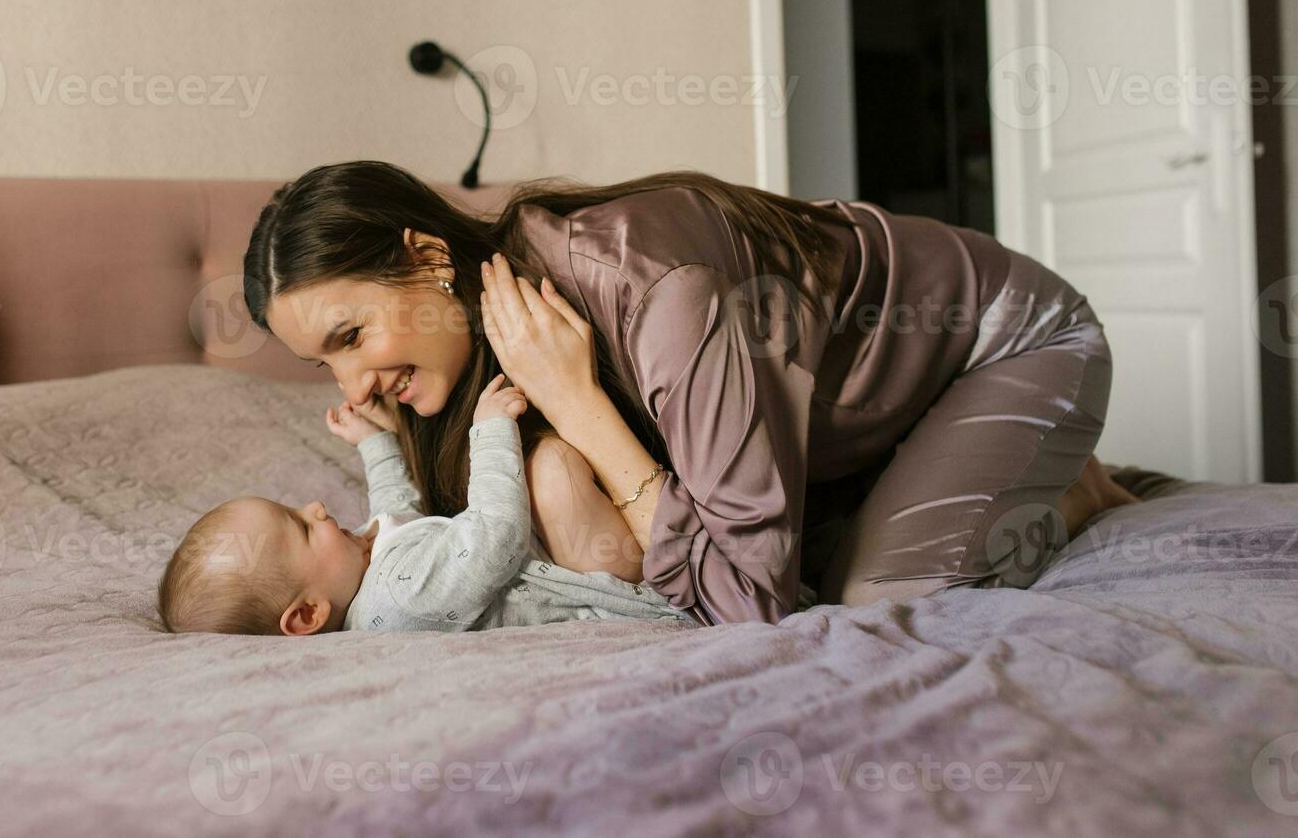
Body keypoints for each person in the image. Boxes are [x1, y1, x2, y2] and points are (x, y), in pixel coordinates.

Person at [243, 160, 1137, 626]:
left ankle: (1070, 489)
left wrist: (582, 405)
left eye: (351, 337)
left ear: (431, 260)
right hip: (864, 418)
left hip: (1005, 343)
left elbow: (753, 602)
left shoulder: (655, 288)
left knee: (873, 606)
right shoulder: (477, 364)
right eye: (325, 367)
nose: (357, 384)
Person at [158, 374, 696, 635]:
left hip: (560, 553)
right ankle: (681, 555)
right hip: (611, 595)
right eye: (301, 528)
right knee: (547, 472)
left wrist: (375, 444)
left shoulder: (366, 573)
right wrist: (489, 433)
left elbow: (398, 513)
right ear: (306, 614)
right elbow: (496, 537)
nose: (317, 507)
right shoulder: (398, 599)